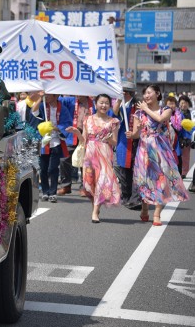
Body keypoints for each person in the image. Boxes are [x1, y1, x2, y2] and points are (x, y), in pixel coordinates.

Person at [126, 84, 189, 226]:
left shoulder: (165, 110)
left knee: (161, 180)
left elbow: (160, 120)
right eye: (145, 94)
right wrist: (133, 134)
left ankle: (156, 214)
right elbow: (136, 135)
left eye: (149, 93)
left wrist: (146, 109)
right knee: (144, 181)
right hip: (144, 150)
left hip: (161, 149)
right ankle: (144, 208)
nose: (146, 96)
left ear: (157, 94)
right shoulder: (139, 114)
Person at [67, 94, 121, 223]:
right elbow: (84, 141)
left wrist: (108, 139)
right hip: (90, 155)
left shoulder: (113, 122)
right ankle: (95, 206)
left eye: (106, 103)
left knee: (102, 182)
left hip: (105, 155)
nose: (104, 105)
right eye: (101, 102)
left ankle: (95, 211)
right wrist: (77, 133)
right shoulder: (88, 120)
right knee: (90, 185)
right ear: (95, 104)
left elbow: (114, 142)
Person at [26, 91, 74, 202]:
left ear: (56, 95)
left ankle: (53, 192)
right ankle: (45, 192)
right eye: (45, 95)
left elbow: (67, 124)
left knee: (53, 168)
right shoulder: (43, 105)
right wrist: (40, 98)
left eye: (49, 95)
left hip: (56, 141)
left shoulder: (63, 108)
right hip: (44, 141)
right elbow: (34, 112)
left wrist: (56, 128)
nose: (46, 97)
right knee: (43, 169)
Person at [112, 82, 141, 209]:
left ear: (127, 93)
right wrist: (119, 99)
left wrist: (135, 133)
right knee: (121, 168)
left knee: (135, 171)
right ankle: (126, 195)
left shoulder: (137, 106)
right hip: (122, 141)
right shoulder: (121, 104)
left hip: (136, 141)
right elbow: (113, 114)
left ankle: (135, 199)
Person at [59, 95, 93, 195]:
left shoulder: (93, 103)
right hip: (72, 133)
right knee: (64, 159)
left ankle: (84, 187)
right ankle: (66, 185)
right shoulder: (70, 100)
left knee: (85, 161)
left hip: (88, 135)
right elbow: (59, 101)